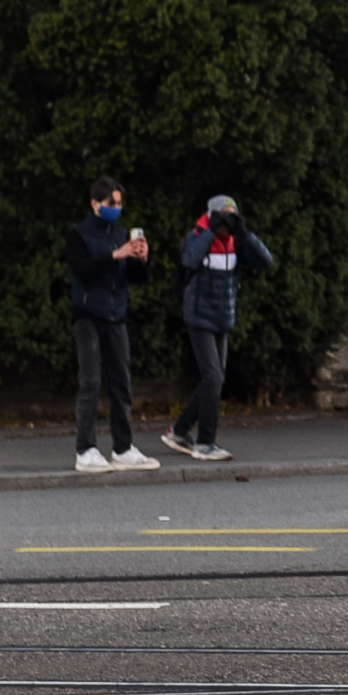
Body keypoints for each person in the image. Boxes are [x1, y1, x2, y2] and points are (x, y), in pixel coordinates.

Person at [165, 194, 272, 462]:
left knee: (214, 378)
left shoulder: (235, 241)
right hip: (199, 317)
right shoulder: (197, 236)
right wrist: (211, 231)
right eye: (222, 216)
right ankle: (205, 443)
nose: (227, 223)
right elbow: (189, 259)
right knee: (214, 377)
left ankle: (179, 431)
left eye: (231, 217)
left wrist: (244, 233)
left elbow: (265, 261)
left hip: (223, 318)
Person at [64, 175, 155, 473]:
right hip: (88, 313)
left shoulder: (120, 234)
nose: (116, 207)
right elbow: (82, 271)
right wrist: (116, 255)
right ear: (94, 204)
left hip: (117, 313)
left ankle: (123, 447)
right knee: (90, 381)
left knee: (122, 383)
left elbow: (135, 278)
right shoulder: (78, 234)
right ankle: (85, 448)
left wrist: (141, 260)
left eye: (119, 203)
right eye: (110, 203)